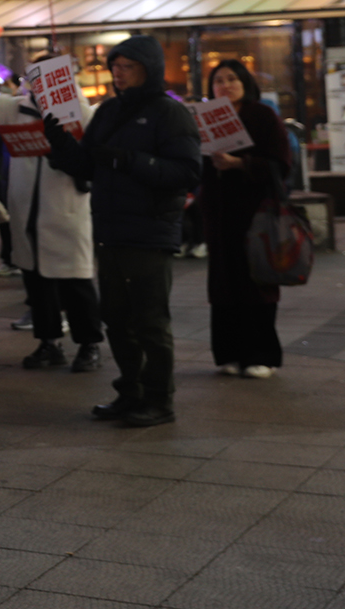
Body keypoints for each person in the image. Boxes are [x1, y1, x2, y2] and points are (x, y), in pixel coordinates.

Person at [51, 36, 201, 428]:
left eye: (127, 67)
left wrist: (130, 160)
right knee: (116, 319)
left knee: (149, 321)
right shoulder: (109, 110)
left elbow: (187, 172)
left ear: (148, 69)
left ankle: (158, 400)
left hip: (149, 230)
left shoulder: (170, 112)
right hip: (110, 229)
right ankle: (130, 391)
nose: (118, 74)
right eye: (115, 67)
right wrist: (61, 146)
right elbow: (89, 165)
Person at [0, 46, 103, 372]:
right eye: (35, 77)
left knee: (76, 281)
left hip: (65, 208)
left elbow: (90, 142)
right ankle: (48, 342)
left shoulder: (79, 111)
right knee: (37, 281)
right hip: (26, 208)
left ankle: (89, 344)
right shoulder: (16, 108)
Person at [199, 61, 294, 378]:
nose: (225, 85)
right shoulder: (207, 118)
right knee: (223, 284)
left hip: (256, 212)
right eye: (218, 80)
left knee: (257, 281)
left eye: (232, 79)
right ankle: (229, 353)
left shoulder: (263, 115)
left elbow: (281, 163)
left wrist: (240, 164)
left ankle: (261, 355)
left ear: (245, 83)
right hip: (219, 213)